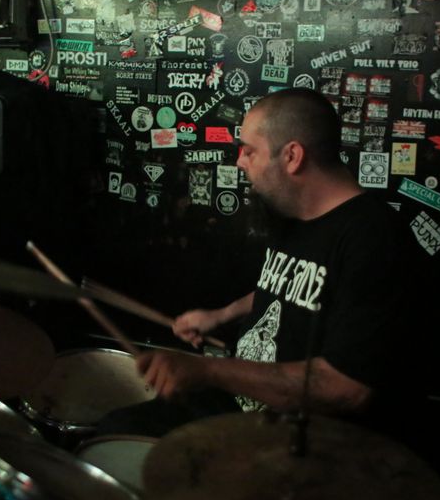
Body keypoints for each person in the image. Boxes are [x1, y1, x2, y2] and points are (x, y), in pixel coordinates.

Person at [97, 88, 413, 436]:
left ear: (292, 156)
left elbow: (346, 388)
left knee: (122, 435)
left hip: (291, 434)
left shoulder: (374, 239)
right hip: (238, 402)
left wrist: (207, 371)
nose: (240, 162)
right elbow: (286, 288)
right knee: (116, 427)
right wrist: (222, 314)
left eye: (249, 151)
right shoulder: (294, 213)